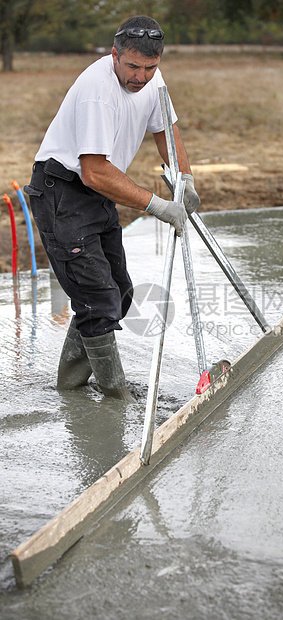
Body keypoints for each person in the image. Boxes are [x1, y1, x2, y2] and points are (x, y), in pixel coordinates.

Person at [24, 15, 200, 402]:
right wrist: (158, 206)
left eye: (149, 68)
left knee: (117, 293)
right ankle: (115, 396)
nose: (140, 76)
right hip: (64, 192)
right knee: (98, 299)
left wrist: (184, 181)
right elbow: (93, 170)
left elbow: (165, 132)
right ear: (115, 54)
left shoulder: (154, 80)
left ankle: (70, 388)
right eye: (133, 66)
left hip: (96, 191)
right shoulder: (96, 90)